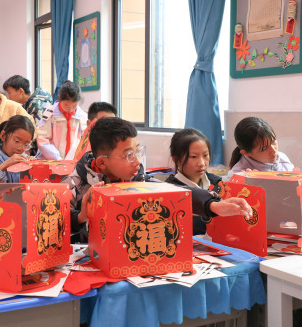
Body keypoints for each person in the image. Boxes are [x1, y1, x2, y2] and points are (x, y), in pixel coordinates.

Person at [63, 117, 252, 244]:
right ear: (102, 162)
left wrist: (212, 205)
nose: (137, 161)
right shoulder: (72, 186)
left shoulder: (138, 180)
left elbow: (175, 192)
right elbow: (55, 227)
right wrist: (81, 217)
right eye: (129, 155)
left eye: (138, 151)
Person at [165, 128, 226, 235]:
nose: (201, 163)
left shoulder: (218, 183)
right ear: (176, 159)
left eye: (205, 155)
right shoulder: (168, 191)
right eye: (193, 157)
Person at [37, 80, 88, 160]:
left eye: (74, 106)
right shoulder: (50, 113)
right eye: (66, 105)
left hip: (73, 160)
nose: (70, 109)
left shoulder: (82, 116)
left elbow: (85, 140)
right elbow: (42, 138)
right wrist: (56, 157)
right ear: (60, 98)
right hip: (52, 160)